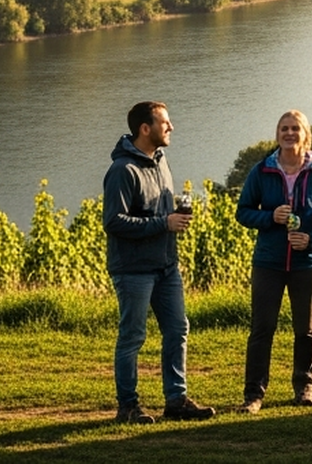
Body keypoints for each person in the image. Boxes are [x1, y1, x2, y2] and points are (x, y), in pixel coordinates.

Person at [104, 101, 216, 423]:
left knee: (178, 329)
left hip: (167, 266)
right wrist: (163, 224)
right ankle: (127, 406)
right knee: (133, 336)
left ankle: (176, 401)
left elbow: (158, 212)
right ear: (145, 128)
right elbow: (114, 222)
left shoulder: (160, 161)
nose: (171, 127)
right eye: (165, 123)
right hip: (134, 270)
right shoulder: (122, 171)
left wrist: (176, 216)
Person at [236, 109, 312, 412]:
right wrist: (269, 217)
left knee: (306, 330)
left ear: (305, 134)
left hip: (307, 263)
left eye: (295, 128)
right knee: (262, 329)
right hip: (268, 261)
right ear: (277, 134)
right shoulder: (262, 170)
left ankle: (304, 389)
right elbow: (243, 211)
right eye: (284, 128)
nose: (289, 133)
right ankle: (254, 395)